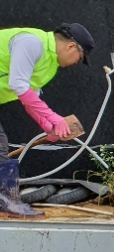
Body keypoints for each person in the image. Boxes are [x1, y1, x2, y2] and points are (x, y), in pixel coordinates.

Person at [0, 23, 94, 217]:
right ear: (71, 46)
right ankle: (7, 201)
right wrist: (54, 118)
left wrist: (46, 125)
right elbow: (18, 84)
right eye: (80, 57)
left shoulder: (49, 64)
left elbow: (30, 96)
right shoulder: (31, 43)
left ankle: (7, 201)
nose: (77, 62)